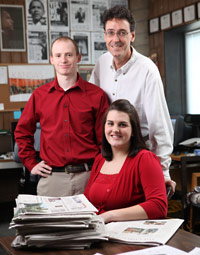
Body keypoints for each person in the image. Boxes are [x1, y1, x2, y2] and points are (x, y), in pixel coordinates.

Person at [89, 5, 176, 197]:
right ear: (104, 36)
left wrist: (162, 171)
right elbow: (90, 105)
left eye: (122, 33)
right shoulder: (101, 64)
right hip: (108, 154)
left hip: (137, 153)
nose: (116, 39)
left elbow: (159, 125)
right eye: (110, 33)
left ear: (132, 36)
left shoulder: (147, 70)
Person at [14, 36, 109, 197]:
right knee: (51, 223)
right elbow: (22, 132)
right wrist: (31, 164)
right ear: (51, 59)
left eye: (69, 55)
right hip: (52, 180)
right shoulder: (39, 95)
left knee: (93, 222)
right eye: (58, 55)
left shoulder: (97, 95)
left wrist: (103, 169)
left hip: (89, 177)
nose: (63, 60)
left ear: (78, 57)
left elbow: (105, 139)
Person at [84, 99, 168, 223]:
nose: (115, 130)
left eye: (122, 125)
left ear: (133, 130)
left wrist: (109, 216)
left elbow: (158, 206)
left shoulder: (145, 159)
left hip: (127, 235)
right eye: (110, 123)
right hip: (97, 231)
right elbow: (87, 201)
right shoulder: (100, 159)